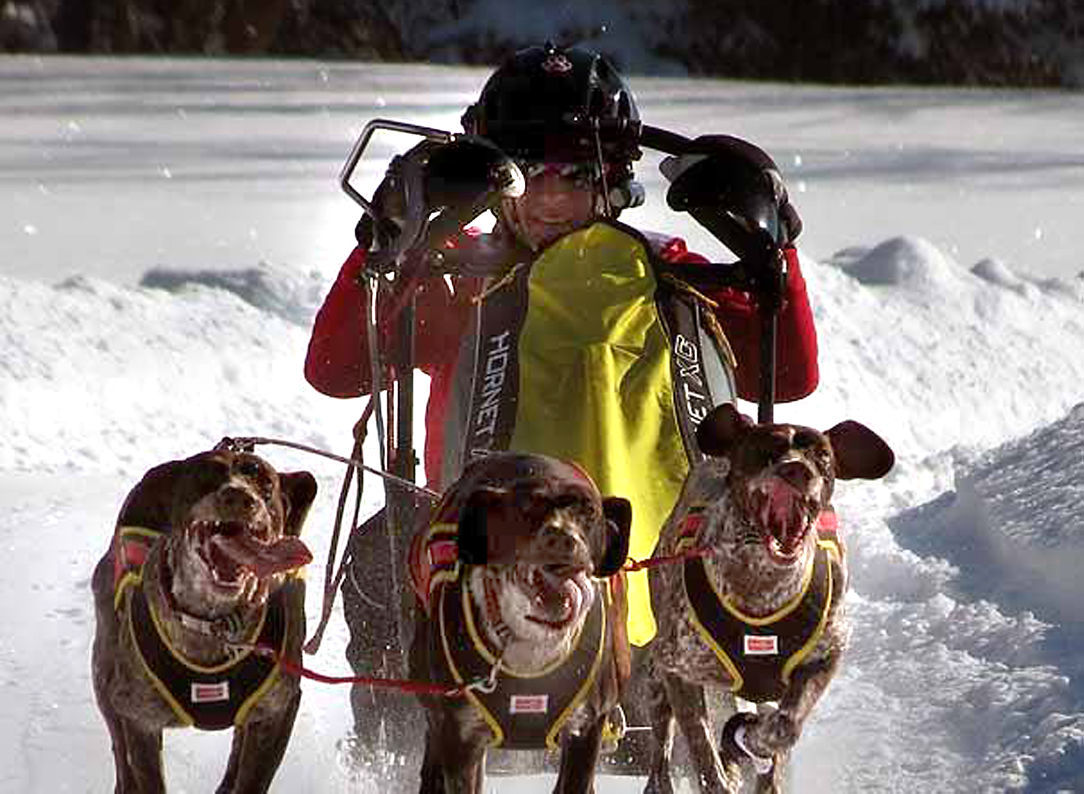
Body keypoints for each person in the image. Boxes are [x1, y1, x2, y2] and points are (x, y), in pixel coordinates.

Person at [305, 42, 819, 771]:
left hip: (656, 579)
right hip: (473, 574)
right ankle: (403, 765)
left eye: (575, 176)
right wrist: (389, 238)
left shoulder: (672, 278)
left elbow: (789, 373)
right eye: (526, 173)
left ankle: (713, 743)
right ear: (493, 179)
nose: (549, 198)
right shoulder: (454, 273)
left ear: (612, 182)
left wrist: (774, 250)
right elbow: (334, 370)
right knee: (381, 549)